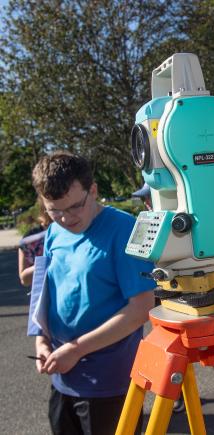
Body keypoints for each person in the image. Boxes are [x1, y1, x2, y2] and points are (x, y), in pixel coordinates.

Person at [30, 151, 155, 435]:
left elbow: (141, 307)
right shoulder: (54, 231)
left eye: (74, 206)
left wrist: (76, 349)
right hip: (63, 372)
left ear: (93, 190)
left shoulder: (124, 228)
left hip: (108, 381)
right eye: (54, 210)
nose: (65, 218)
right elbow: (44, 291)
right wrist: (41, 340)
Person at [130, 181, 214, 412]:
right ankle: (173, 394)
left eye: (151, 197)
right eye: (146, 199)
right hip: (165, 293)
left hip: (193, 293)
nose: (148, 204)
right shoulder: (151, 223)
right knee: (172, 349)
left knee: (208, 345)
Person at [18, 203, 52, 287]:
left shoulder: (73, 230)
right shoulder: (30, 238)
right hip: (44, 294)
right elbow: (24, 279)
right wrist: (50, 263)